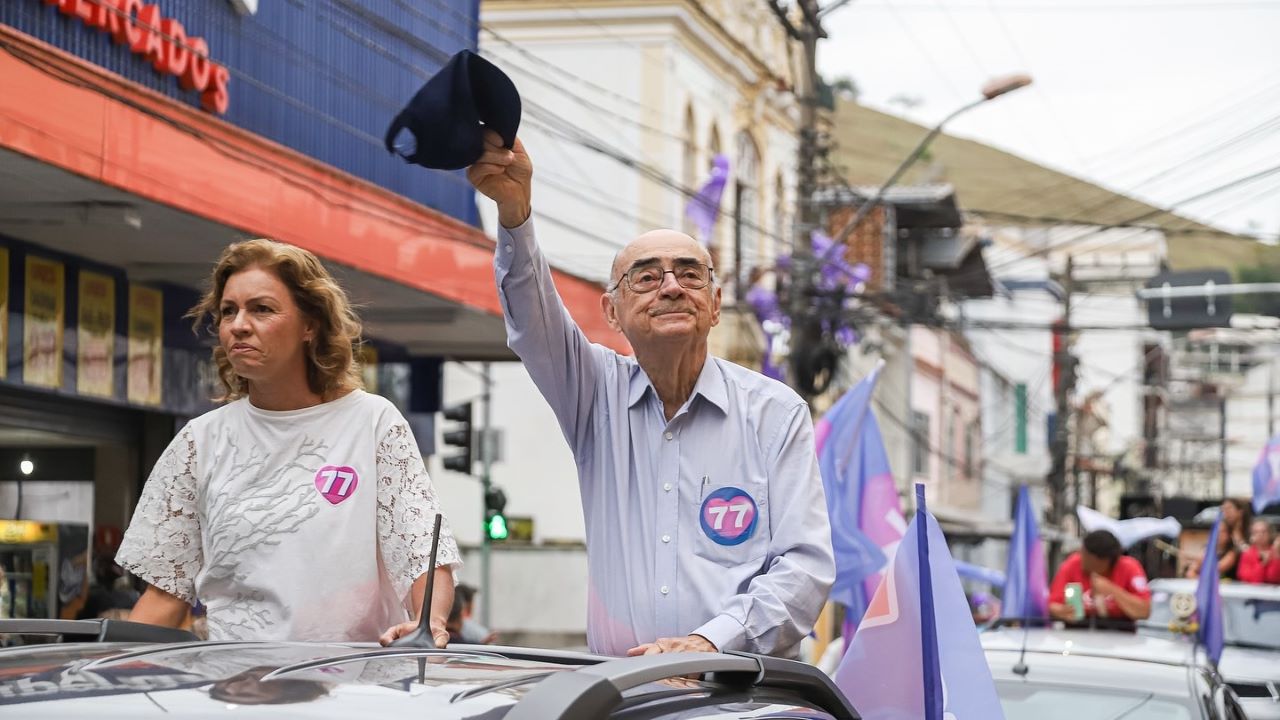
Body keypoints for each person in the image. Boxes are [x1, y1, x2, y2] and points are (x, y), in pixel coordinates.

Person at [468, 132, 835, 659]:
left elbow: (804, 566)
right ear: (612, 312)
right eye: (645, 277)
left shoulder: (774, 414)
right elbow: (533, 319)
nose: (670, 287)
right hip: (627, 698)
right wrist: (514, 212)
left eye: (689, 275)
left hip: (744, 700)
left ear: (714, 305)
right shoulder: (594, 394)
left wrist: (710, 642)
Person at [115, 239, 460, 645]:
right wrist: (106, 674)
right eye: (229, 311)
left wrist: (428, 623)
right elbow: (165, 595)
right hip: (233, 693)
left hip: (352, 691)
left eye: (261, 309)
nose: (239, 324)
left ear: (310, 325)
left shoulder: (373, 423)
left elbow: (423, 555)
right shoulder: (198, 441)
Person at [1049, 529, 1151, 625]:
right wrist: (1060, 611)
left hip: (1120, 633)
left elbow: (1144, 611)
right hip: (1078, 631)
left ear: (1103, 560)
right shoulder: (1073, 564)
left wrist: (1112, 590)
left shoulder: (1129, 567)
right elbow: (1051, 604)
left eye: (1085, 555)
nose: (1081, 557)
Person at [1185, 498, 1252, 580]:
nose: (1225, 512)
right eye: (1223, 509)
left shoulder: (1249, 533)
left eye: (1229, 508)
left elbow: (1247, 553)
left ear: (1240, 512)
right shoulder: (1221, 530)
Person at [1237, 519, 1280, 584]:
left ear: (1270, 533)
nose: (1260, 535)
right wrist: (1263, 564)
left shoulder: (1276, 552)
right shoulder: (1247, 553)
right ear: (1252, 535)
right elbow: (1246, 577)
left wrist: (1276, 557)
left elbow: (1274, 578)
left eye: (1264, 532)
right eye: (1256, 532)